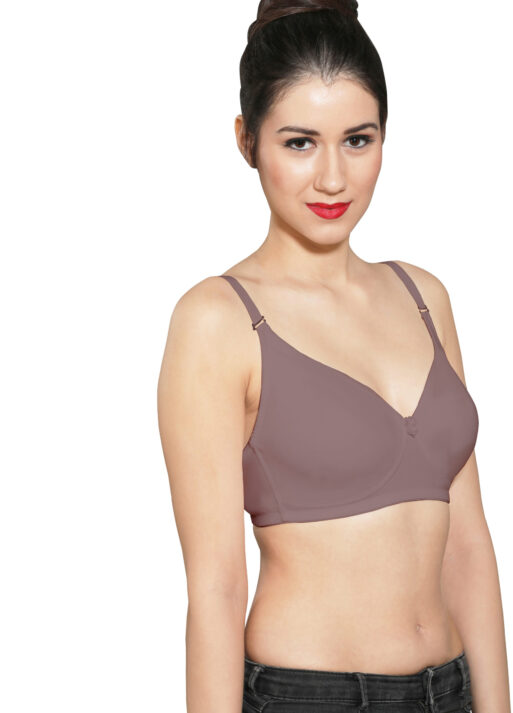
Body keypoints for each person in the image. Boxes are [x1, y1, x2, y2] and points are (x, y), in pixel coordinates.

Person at [157, 1, 510, 711]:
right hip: (309, 695)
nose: (332, 178)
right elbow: (216, 588)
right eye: (299, 143)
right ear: (246, 140)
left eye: (357, 139)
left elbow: (469, 546)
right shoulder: (218, 320)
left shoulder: (424, 296)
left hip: (451, 689)